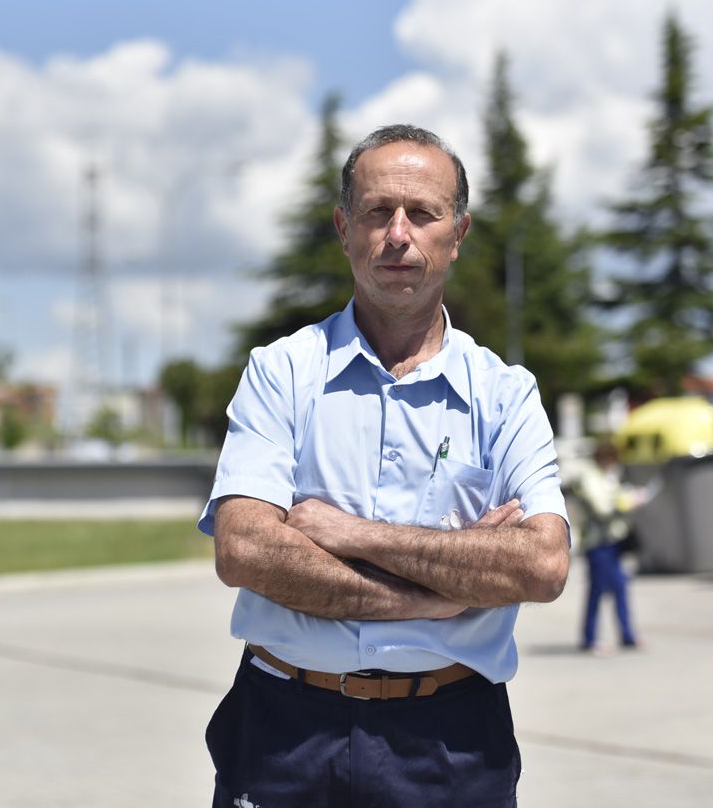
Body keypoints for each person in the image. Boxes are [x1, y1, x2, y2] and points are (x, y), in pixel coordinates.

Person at [200, 125, 570, 807]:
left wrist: (349, 532)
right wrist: (440, 593)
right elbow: (245, 548)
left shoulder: (505, 392)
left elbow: (541, 566)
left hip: (452, 739)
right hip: (285, 731)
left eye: (422, 213)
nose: (398, 233)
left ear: (457, 234)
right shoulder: (281, 372)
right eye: (377, 212)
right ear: (345, 228)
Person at [572, 440, 643, 654]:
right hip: (598, 543)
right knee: (597, 590)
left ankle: (627, 636)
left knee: (620, 587)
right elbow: (602, 508)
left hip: (613, 540)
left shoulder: (608, 476)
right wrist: (624, 501)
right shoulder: (589, 477)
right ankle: (590, 639)